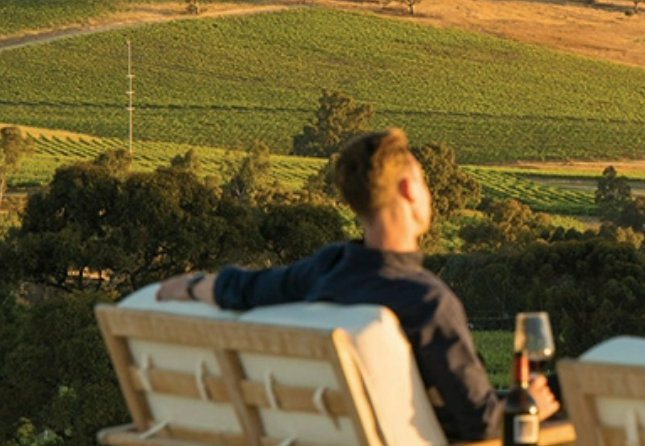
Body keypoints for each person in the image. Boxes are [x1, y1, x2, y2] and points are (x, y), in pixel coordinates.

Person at [153, 129, 557, 442]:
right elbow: (483, 424)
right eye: (421, 179)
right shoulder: (427, 301)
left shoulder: (326, 269)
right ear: (407, 190)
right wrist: (532, 404)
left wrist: (193, 286)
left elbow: (245, 288)